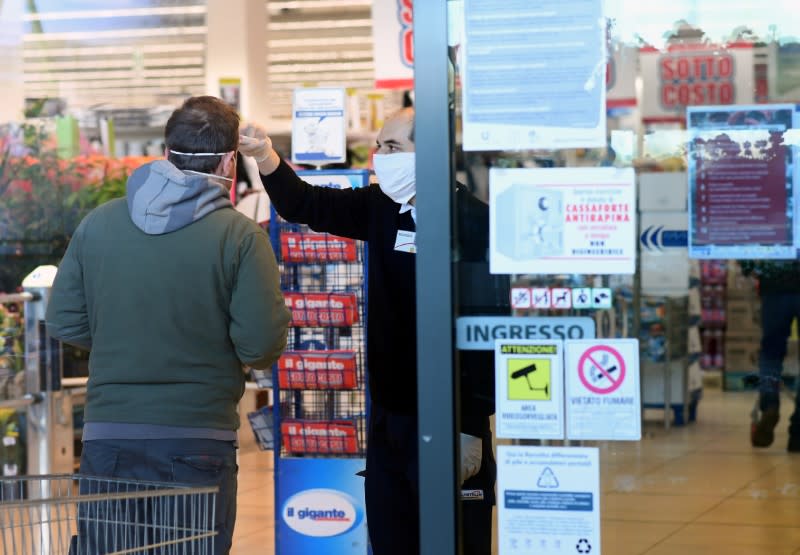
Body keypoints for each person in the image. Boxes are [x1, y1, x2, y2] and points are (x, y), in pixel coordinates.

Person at [239, 107, 508, 555]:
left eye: (393, 147)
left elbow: (487, 334)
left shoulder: (477, 225)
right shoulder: (382, 209)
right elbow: (307, 204)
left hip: (452, 420)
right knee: (391, 539)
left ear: (434, 154)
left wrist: (471, 427)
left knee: (456, 542)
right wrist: (265, 155)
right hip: (389, 419)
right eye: (380, 146)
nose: (380, 157)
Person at [46, 95, 291, 554]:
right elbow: (259, 346)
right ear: (228, 162)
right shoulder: (240, 237)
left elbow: (63, 321)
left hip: (109, 436)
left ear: (165, 154)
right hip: (197, 437)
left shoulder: (98, 224)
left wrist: (123, 339)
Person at [742, 260, 800, 451]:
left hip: (775, 289)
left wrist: (753, 269)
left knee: (770, 355)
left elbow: (747, 256)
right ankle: (798, 432)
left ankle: (769, 405)